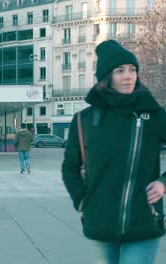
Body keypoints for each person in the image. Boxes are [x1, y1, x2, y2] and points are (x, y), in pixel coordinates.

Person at [62, 40, 166, 264]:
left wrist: (163, 182)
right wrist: (81, 202)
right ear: (106, 77)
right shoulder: (84, 120)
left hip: (144, 221)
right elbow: (70, 166)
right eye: (120, 71)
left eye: (132, 70)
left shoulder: (152, 114)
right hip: (100, 224)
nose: (128, 76)